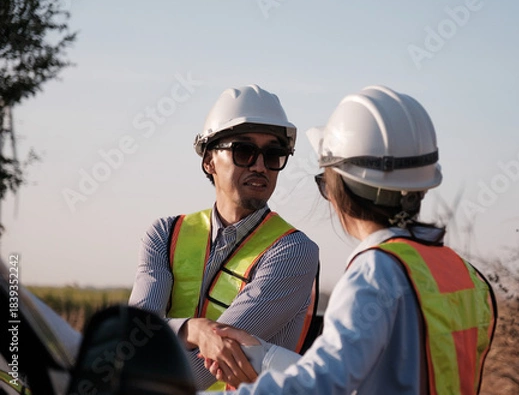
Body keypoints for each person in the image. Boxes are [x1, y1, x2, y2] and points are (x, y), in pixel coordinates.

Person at [198, 85, 497, 394]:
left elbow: (324, 385)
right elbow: (386, 366)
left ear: (339, 189)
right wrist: (265, 356)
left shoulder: (377, 273)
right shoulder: (463, 274)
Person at [128, 84, 320, 391]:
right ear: (209, 161)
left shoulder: (293, 251)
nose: (260, 166)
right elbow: (133, 336)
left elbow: (205, 368)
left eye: (273, 155)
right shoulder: (165, 234)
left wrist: (135, 374)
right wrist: (193, 329)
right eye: (244, 151)